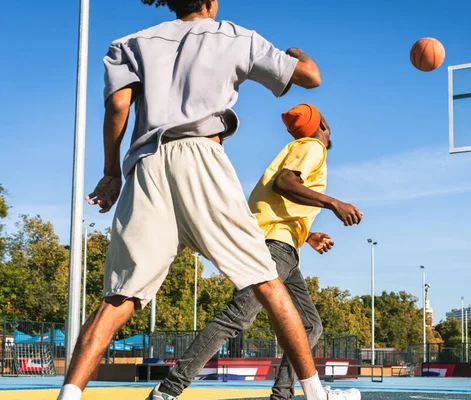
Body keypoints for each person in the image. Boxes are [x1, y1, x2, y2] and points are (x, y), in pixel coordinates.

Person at [56, 1, 357, 399]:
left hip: (147, 162)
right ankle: (315, 394)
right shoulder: (234, 36)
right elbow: (310, 77)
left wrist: (112, 172)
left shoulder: (130, 43)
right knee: (266, 282)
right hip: (201, 154)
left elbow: (117, 108)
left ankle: (70, 394)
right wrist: (298, 54)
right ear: (211, 3)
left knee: (119, 295)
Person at [149, 104, 363, 400]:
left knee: (310, 325)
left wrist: (307, 234)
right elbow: (284, 183)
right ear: (323, 125)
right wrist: (334, 203)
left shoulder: (296, 147)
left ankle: (283, 394)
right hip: (272, 248)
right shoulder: (312, 146)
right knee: (237, 317)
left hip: (282, 247)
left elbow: (274, 204)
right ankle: (168, 390)